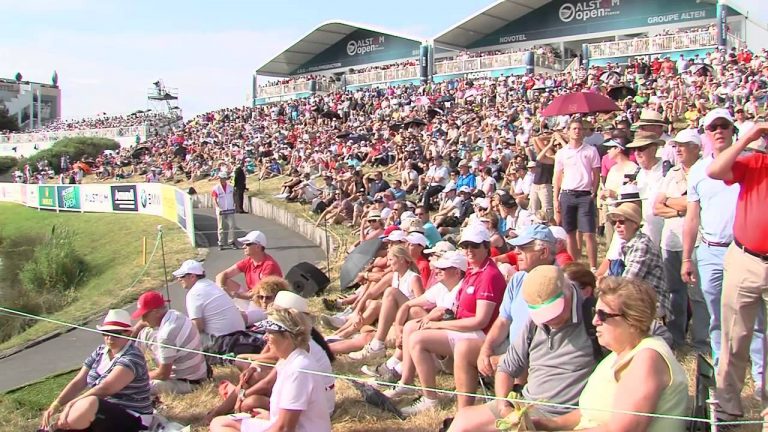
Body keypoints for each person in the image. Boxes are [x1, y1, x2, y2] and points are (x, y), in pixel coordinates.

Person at [448, 266, 599, 431]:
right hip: (526, 405)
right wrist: (503, 405)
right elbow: (507, 368)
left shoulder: (595, 318)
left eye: (554, 311)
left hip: (566, 416)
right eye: (543, 314)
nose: (549, 319)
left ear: (567, 290)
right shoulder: (534, 322)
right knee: (463, 421)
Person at [531, 277, 689, 431]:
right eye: (595, 312)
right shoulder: (618, 354)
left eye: (603, 315)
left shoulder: (647, 358)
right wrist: (546, 425)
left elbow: (622, 429)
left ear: (633, 321)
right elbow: (589, 413)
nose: (594, 321)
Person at [386, 224, 506, 416]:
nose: (469, 250)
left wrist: (438, 324)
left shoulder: (489, 275)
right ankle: (406, 381)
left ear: (485, 246)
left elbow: (480, 321)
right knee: (413, 328)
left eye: (474, 246)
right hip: (467, 330)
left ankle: (429, 398)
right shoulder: (475, 270)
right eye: (465, 245)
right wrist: (435, 316)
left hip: (480, 337)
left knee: (418, 339)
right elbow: (456, 306)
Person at [453, 224, 557, 410]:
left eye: (524, 248)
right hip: (512, 346)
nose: (516, 252)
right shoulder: (518, 279)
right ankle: (465, 411)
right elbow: (503, 320)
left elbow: (548, 342)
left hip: (535, 355)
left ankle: (509, 410)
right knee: (464, 349)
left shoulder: (558, 283)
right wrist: (486, 349)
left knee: (518, 367)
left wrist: (505, 358)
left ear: (544, 252)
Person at [707, 115, 768, 420]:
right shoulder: (755, 162)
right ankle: (729, 407)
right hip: (747, 258)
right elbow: (715, 170)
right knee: (735, 336)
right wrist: (748, 137)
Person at [209, 308, 334, 432]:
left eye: (269, 332)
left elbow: (284, 429)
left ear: (287, 336)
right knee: (220, 423)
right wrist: (271, 418)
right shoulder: (288, 359)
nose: (265, 337)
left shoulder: (299, 369)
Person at [40, 309, 152, 432]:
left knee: (89, 403)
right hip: (102, 413)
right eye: (105, 333)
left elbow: (105, 389)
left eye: (115, 333)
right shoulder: (100, 351)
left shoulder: (132, 357)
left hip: (132, 417)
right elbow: (79, 382)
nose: (109, 338)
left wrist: (72, 403)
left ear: (127, 333)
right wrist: (57, 404)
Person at [652, 128, 702, 351]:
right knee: (674, 293)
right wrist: (683, 209)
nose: (678, 150)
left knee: (699, 295)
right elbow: (656, 207)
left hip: (699, 241)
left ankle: (703, 340)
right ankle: (676, 338)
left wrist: (675, 203)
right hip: (671, 242)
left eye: (683, 145)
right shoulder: (671, 174)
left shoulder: (705, 172)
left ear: (696, 147)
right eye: (676, 146)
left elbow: (698, 206)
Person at [348, 244, 424, 361]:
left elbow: (420, 306)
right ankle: (338, 336)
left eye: (390, 260)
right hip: (396, 320)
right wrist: (357, 311)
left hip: (408, 320)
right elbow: (370, 294)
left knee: (389, 293)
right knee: (375, 305)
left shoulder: (414, 278)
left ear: (402, 259)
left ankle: (375, 345)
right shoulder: (392, 276)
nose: (388, 264)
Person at [132, 291, 208, 395]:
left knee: (137, 387)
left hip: (189, 382)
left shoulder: (166, 335)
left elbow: (163, 374)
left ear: (156, 312)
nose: (143, 319)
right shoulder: (175, 315)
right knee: (146, 332)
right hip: (199, 372)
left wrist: (138, 378)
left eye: (144, 315)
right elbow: (143, 324)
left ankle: (130, 372)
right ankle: (130, 360)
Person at [607, 202, 671, 322]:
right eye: (614, 222)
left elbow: (627, 282)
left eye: (621, 222)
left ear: (635, 224)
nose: (617, 226)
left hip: (652, 304)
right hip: (640, 299)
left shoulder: (641, 246)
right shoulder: (631, 243)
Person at [553, 118, 601, 270]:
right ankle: (574, 264)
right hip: (567, 193)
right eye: (574, 128)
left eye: (580, 128)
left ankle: (593, 266)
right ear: (568, 131)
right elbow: (558, 176)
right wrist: (556, 197)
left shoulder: (590, 150)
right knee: (570, 232)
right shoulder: (562, 153)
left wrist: (593, 191)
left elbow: (596, 173)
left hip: (584, 194)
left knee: (588, 232)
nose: (577, 131)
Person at [173, 259, 245, 346]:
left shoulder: (193, 294)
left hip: (223, 341)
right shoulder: (212, 284)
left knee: (187, 340)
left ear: (192, 277)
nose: (179, 279)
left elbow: (198, 327)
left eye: (181, 276)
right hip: (242, 334)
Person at [217, 231, 283, 310]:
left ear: (258, 247)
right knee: (225, 282)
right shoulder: (249, 261)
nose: (243, 246)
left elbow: (259, 293)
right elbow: (222, 275)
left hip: (265, 302)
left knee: (242, 317)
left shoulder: (269, 265)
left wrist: (235, 295)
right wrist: (221, 288)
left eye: (247, 244)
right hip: (251, 297)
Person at [625, 131, 665, 247]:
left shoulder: (667, 171)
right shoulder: (638, 173)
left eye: (641, 149)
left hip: (666, 235)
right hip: (643, 233)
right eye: (635, 150)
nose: (637, 153)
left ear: (653, 149)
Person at [212, 170, 237, 250]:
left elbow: (234, 196)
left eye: (222, 178)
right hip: (221, 209)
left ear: (225, 179)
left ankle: (231, 242)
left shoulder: (230, 187)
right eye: (219, 178)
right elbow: (214, 198)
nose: (220, 179)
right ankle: (221, 243)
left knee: (232, 225)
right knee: (221, 227)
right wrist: (217, 207)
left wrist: (234, 204)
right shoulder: (216, 188)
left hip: (230, 209)